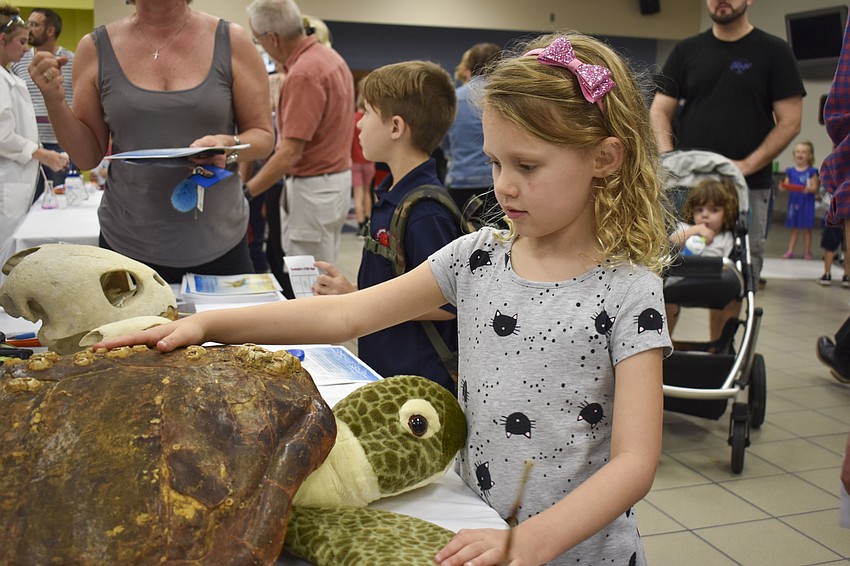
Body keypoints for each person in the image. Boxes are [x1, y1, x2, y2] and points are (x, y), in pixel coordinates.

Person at [95, 32, 673, 565]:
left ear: (604, 159)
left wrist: (530, 541)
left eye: (527, 165)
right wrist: (208, 327)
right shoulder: (477, 257)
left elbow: (633, 462)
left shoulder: (629, 291)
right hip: (477, 528)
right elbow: (345, 312)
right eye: (497, 162)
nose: (504, 185)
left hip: (579, 551)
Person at [29, 0, 275, 284]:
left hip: (218, 244)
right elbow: (87, 157)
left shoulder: (232, 41)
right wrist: (54, 100)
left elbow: (263, 137)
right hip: (127, 244)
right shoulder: (95, 48)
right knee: (130, 331)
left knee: (222, 330)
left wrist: (227, 147)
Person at [312, 60, 460, 394]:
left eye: (365, 113)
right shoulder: (394, 195)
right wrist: (353, 291)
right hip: (386, 371)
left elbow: (448, 303)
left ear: (396, 127)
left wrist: (357, 299)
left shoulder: (425, 211)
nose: (358, 125)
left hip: (416, 385)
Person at [650, 0, 806, 289]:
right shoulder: (686, 50)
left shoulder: (774, 51)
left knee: (733, 275)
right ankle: (660, 337)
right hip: (686, 184)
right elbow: (659, 110)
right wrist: (669, 159)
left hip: (745, 185)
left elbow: (790, 121)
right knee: (669, 272)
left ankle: (724, 337)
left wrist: (746, 165)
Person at [242, 0, 354, 266]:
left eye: (258, 41)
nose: (262, 48)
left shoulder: (304, 73)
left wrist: (246, 194)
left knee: (309, 278)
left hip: (312, 190)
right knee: (322, 268)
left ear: (273, 38)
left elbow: (290, 152)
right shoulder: (329, 58)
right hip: (331, 184)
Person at [0, 5, 68, 274]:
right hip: (8, 178)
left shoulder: (9, 76)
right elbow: (3, 136)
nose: (25, 49)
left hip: (16, 177)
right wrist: (42, 153)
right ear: (2, 40)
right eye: (21, 42)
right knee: (6, 246)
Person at [665, 178, 740, 342]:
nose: (705, 215)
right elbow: (671, 242)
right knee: (664, 298)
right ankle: (664, 340)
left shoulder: (725, 238)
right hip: (679, 278)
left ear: (725, 212)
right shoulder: (686, 229)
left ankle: (719, 343)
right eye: (699, 210)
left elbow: (726, 264)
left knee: (732, 294)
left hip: (712, 281)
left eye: (714, 210)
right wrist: (695, 230)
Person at [10, 8, 72, 200]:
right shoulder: (20, 61)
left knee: (60, 204)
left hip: (61, 145)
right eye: (28, 24)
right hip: (29, 146)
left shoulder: (72, 61)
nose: (29, 29)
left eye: (35, 25)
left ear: (50, 30)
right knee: (27, 204)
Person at [442, 42, 501, 213]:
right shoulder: (503, 96)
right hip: (492, 182)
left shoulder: (453, 98)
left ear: (470, 65)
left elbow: (444, 140)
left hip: (459, 180)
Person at [780, 141, 819, 260]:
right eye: (797, 152)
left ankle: (807, 251)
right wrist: (782, 186)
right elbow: (786, 185)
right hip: (794, 202)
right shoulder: (790, 171)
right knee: (794, 228)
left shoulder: (812, 172)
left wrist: (809, 189)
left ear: (810, 155)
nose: (800, 154)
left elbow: (814, 187)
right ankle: (790, 250)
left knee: (807, 228)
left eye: (803, 152)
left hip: (806, 202)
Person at [351, 78, 374, 235]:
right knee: (368, 192)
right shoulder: (371, 121)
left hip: (354, 161)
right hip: (369, 161)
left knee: (358, 193)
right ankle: (368, 222)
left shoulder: (352, 120)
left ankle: (360, 225)